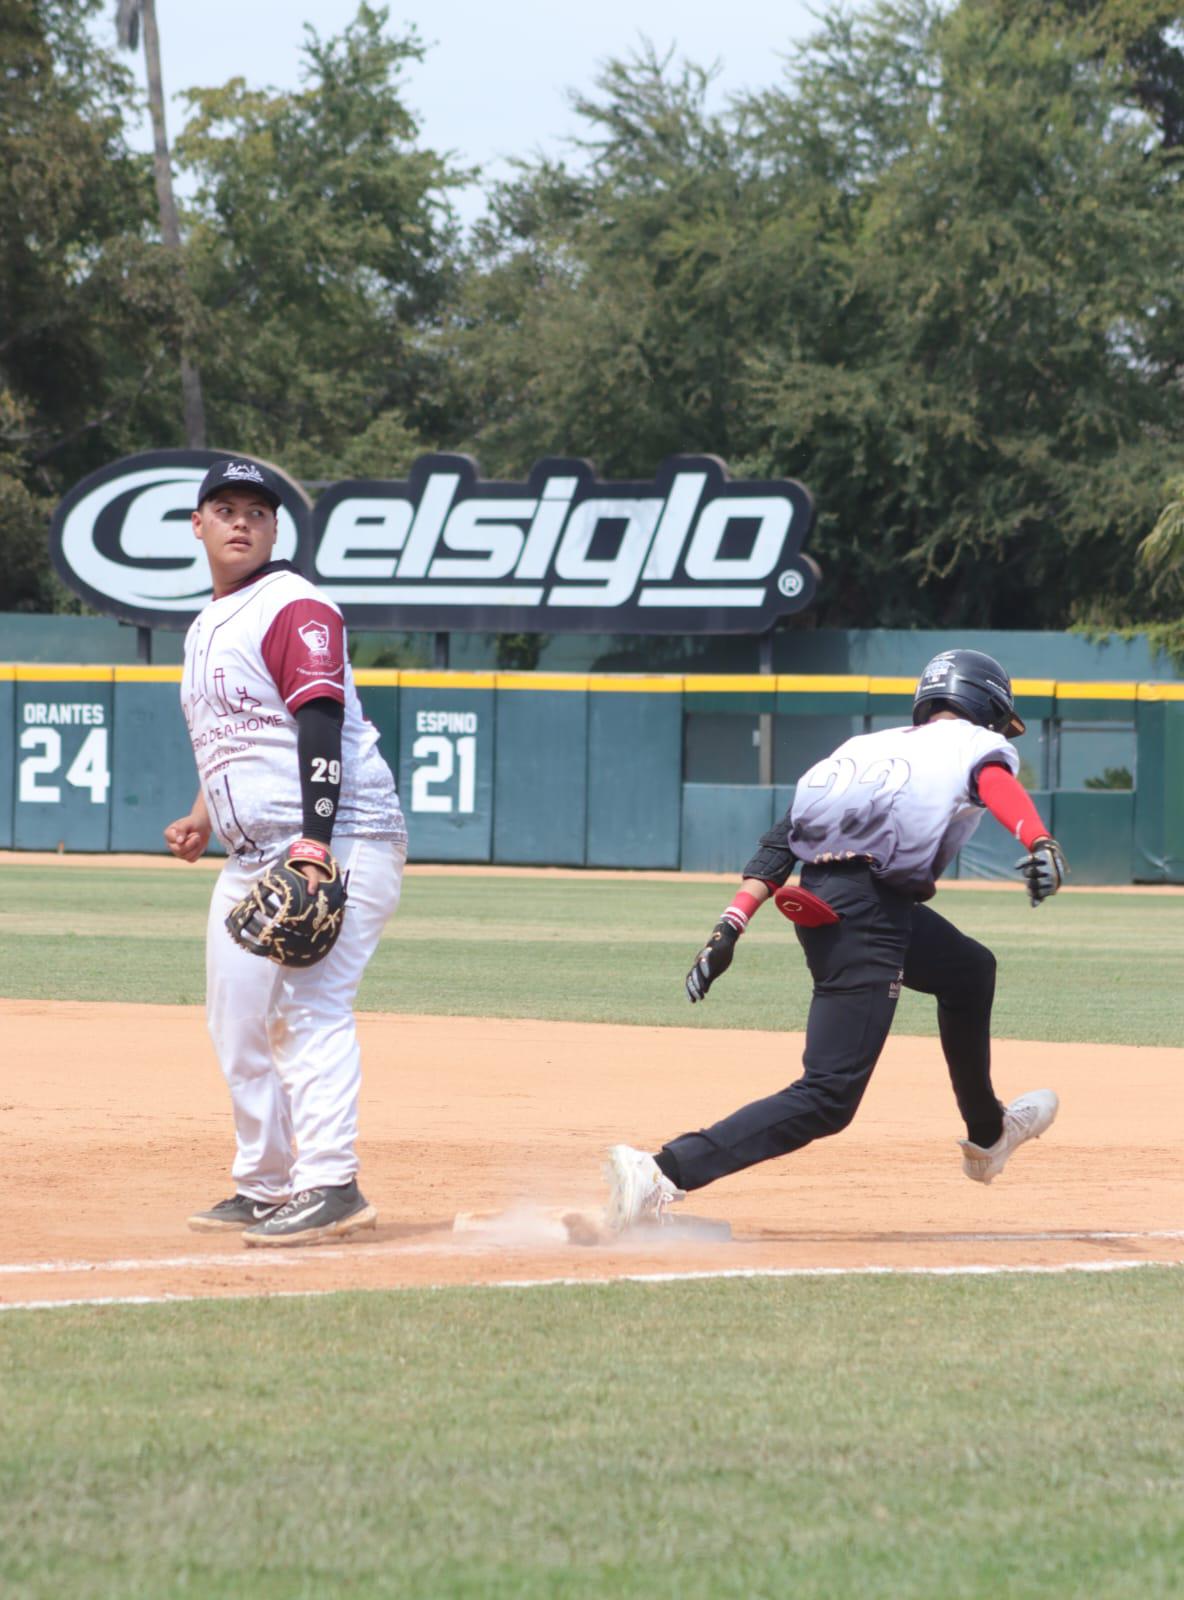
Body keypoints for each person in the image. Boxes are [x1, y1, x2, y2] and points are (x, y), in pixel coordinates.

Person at [605, 649, 1067, 1231]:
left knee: (970, 970)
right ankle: (663, 1170)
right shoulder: (970, 744)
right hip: (868, 917)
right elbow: (995, 782)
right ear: (986, 708)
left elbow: (781, 842)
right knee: (828, 1096)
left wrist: (730, 925)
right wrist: (1038, 839)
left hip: (835, 899)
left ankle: (988, 1135)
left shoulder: (859, 748)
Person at [165, 458, 407, 1247]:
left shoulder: (296, 604)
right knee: (235, 1017)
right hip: (249, 849)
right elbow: (233, 732)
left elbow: (318, 724)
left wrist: (317, 842)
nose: (242, 522)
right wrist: (204, 813)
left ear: (274, 530)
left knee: (311, 1007)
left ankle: (330, 1182)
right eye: (225, 509)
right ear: (197, 524)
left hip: (341, 835)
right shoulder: (208, 623)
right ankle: (265, 1185)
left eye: (257, 513)